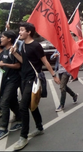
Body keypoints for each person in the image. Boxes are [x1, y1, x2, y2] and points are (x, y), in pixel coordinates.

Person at [10, 22, 60, 151]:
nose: (19, 32)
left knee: (23, 106)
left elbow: (45, 61)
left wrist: (54, 75)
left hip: (33, 80)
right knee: (31, 104)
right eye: (19, 30)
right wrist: (15, 53)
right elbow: (24, 62)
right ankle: (39, 128)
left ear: (29, 32)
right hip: (24, 78)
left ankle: (23, 137)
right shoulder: (23, 46)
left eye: (21, 30)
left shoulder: (35, 46)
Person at [0, 31, 22, 140]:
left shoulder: (13, 50)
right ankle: (20, 118)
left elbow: (18, 65)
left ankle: (3, 128)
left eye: (3, 37)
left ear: (9, 39)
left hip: (13, 80)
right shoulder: (3, 50)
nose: (1, 38)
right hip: (5, 79)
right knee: (12, 101)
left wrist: (4, 64)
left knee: (4, 102)